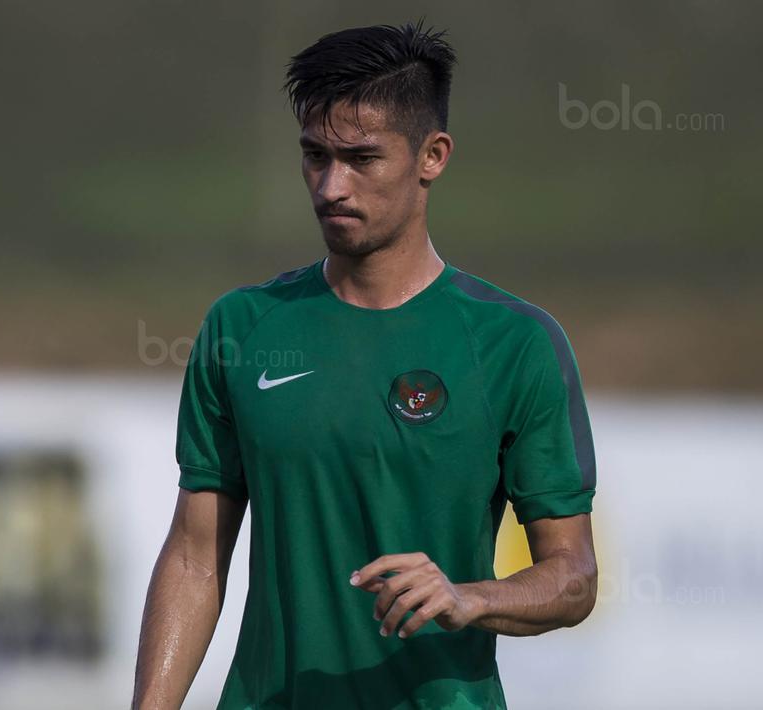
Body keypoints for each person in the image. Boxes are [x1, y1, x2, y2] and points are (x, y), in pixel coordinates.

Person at [133, 20, 598, 710]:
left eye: (360, 158)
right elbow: (196, 555)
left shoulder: (514, 344)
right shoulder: (241, 327)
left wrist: (465, 598)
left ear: (431, 156)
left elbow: (572, 578)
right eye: (314, 156)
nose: (329, 186)